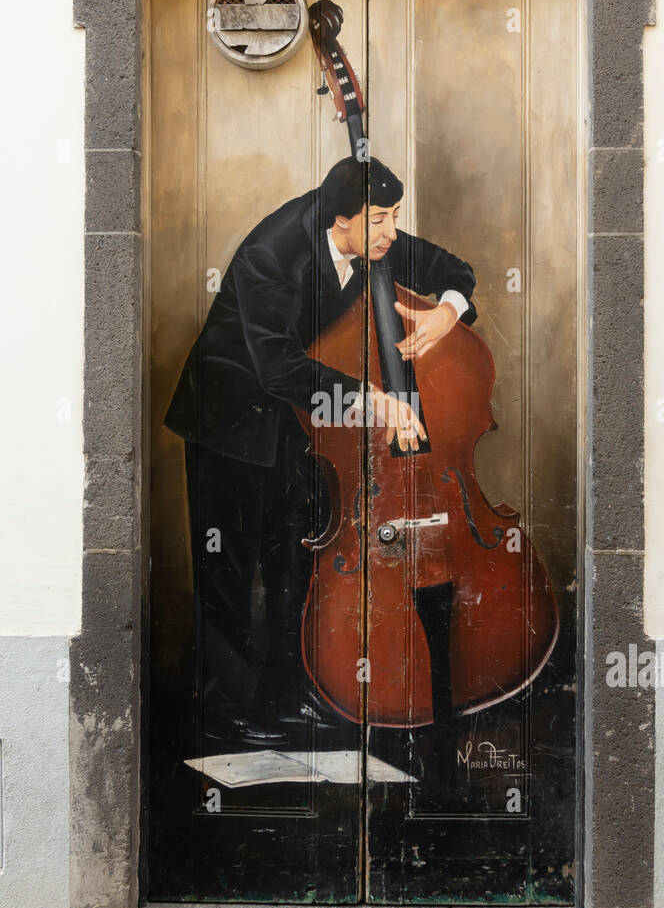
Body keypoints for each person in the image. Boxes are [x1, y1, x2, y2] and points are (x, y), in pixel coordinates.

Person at [165, 157, 477, 748]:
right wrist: (376, 402)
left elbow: (454, 269)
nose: (390, 231)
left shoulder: (370, 234)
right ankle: (226, 707)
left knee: (295, 558)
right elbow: (278, 367)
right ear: (342, 218)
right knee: (228, 566)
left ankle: (289, 692)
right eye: (380, 220)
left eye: (393, 218)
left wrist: (447, 310)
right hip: (227, 417)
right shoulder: (271, 255)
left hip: (294, 422)